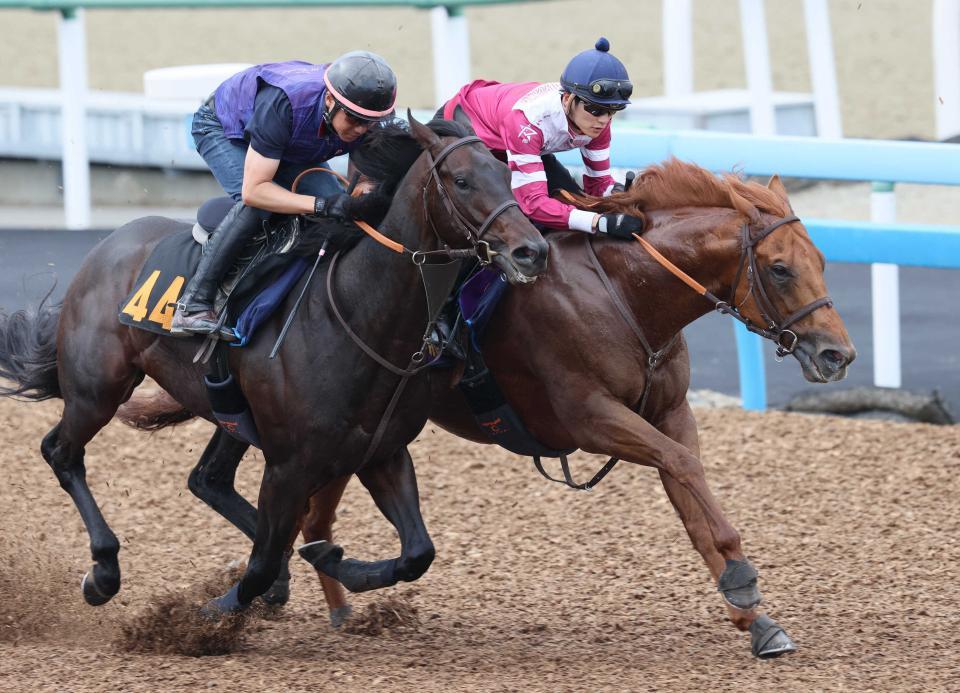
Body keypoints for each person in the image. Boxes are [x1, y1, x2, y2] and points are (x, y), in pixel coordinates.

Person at [170, 52, 398, 337]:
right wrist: (321, 204)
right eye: (353, 119)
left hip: (292, 141)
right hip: (226, 129)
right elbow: (255, 191)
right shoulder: (283, 103)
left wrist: (357, 195)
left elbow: (364, 179)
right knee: (260, 206)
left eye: (369, 122)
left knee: (341, 214)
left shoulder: (371, 116)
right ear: (330, 101)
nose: (361, 129)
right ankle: (193, 304)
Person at [439, 37, 643, 239]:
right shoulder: (528, 121)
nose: (604, 120)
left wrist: (622, 195)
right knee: (516, 219)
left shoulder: (598, 123)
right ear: (567, 99)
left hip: (520, 141)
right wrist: (598, 223)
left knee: (575, 200)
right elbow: (533, 204)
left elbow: (598, 186)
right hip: (462, 127)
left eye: (613, 110)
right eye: (596, 109)